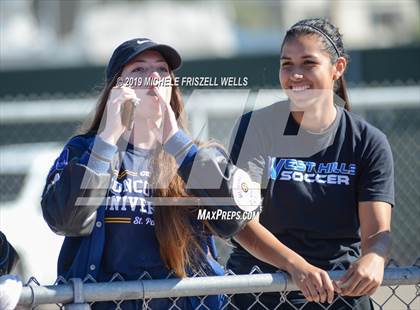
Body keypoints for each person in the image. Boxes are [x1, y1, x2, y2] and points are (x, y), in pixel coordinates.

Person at [41, 38, 260, 309]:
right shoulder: (84, 150)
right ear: (116, 89)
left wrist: (178, 145)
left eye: (162, 70)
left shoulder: (198, 155)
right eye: (138, 70)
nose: (153, 78)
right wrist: (108, 139)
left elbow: (235, 217)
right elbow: (64, 220)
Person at [226, 18, 394, 310]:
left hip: (338, 294)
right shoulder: (256, 127)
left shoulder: (368, 142)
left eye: (308, 63)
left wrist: (375, 257)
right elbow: (241, 222)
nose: (295, 75)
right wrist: (296, 266)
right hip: (260, 292)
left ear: (337, 68)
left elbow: (376, 234)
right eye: (287, 64)